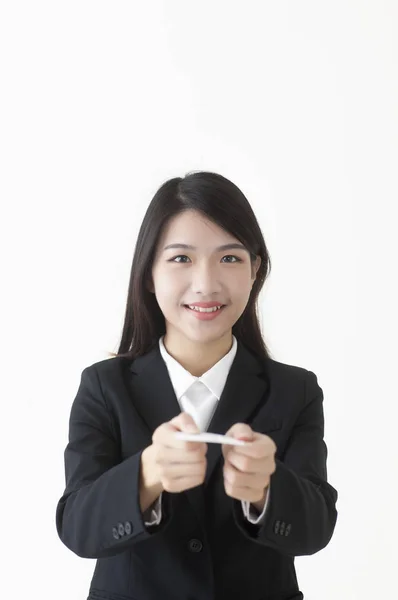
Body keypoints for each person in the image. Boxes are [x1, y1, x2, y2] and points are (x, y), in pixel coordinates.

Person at [55, 170, 338, 600]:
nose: (206, 284)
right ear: (149, 273)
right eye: (181, 258)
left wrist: (267, 489)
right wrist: (146, 477)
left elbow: (316, 530)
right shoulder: (103, 387)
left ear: (255, 270)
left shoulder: (295, 390)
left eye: (229, 258)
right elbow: (77, 527)